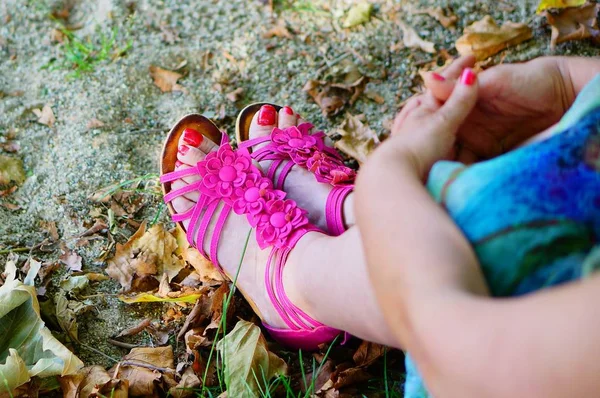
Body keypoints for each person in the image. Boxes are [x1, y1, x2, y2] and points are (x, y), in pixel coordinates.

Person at [159, 55, 600, 397]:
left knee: (495, 238)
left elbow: (462, 348)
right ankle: (346, 214)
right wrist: (565, 85)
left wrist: (391, 176)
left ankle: (299, 280)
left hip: (491, 342)